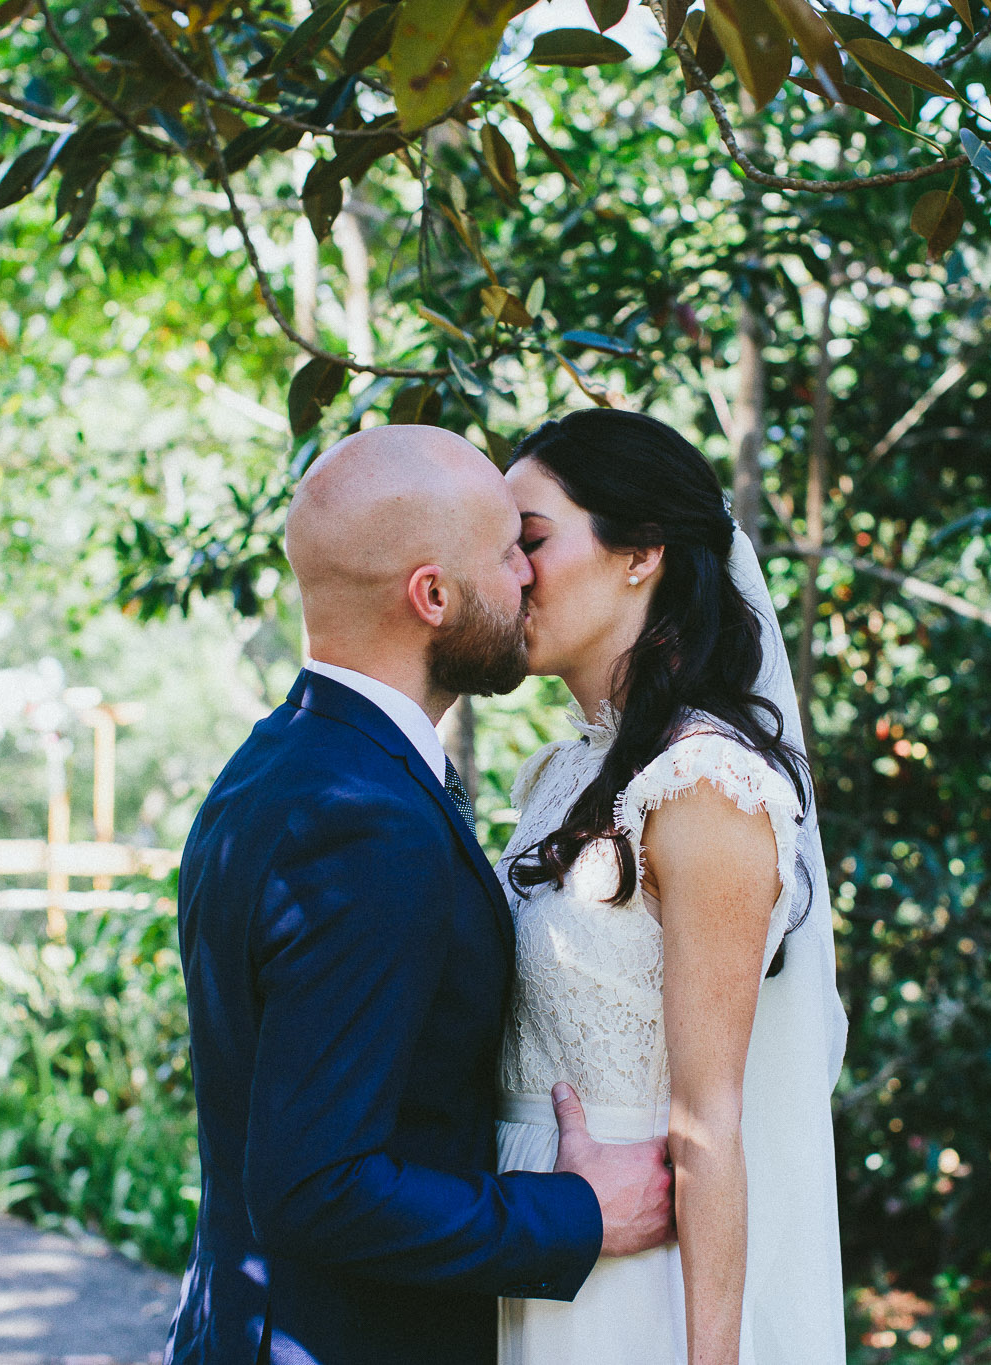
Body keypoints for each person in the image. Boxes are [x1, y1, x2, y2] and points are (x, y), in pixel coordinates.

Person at [163, 424, 676, 1365]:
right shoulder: (364, 819)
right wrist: (577, 1213)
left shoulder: (274, 766)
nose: (529, 576)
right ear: (432, 595)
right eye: (507, 552)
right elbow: (318, 1183)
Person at [494, 409, 848, 1365]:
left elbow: (712, 1120)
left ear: (641, 551)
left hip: (630, 1292)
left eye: (530, 539)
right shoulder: (561, 777)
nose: (510, 572)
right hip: (535, 1245)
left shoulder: (703, 786)